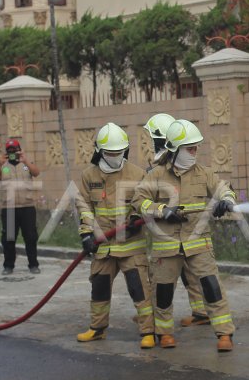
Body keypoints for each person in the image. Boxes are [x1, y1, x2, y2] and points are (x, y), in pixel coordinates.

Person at [132, 119, 237, 352]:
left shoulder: (205, 173)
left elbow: (224, 189)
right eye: (190, 148)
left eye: (196, 147)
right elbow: (138, 201)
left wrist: (226, 202)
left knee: (212, 287)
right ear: (176, 149)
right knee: (163, 292)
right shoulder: (157, 174)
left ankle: (224, 333)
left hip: (198, 244)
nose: (195, 152)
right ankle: (165, 333)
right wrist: (162, 211)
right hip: (166, 245)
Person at [74, 123, 154, 348]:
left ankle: (148, 331)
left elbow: (145, 202)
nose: (114, 157)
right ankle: (97, 329)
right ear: (99, 151)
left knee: (139, 289)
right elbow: (84, 208)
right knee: (98, 288)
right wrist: (86, 235)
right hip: (103, 246)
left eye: (118, 153)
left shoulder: (137, 174)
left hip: (130, 245)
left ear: (125, 151)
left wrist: (137, 219)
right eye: (109, 153)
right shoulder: (89, 175)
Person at [143, 113, 210, 328]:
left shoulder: (161, 164)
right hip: (189, 229)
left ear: (159, 139)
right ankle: (200, 311)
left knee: (163, 275)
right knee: (189, 272)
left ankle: (157, 317)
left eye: (152, 138)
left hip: (172, 229)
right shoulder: (175, 157)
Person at [0, 137, 40, 276]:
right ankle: (8, 266)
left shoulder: (25, 164)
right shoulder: (3, 165)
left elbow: (36, 172)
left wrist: (26, 160)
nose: (12, 153)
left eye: (15, 150)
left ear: (19, 150)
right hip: (9, 208)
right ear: (6, 152)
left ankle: (33, 264)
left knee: (30, 237)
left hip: (27, 206)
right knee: (9, 239)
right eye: (9, 150)